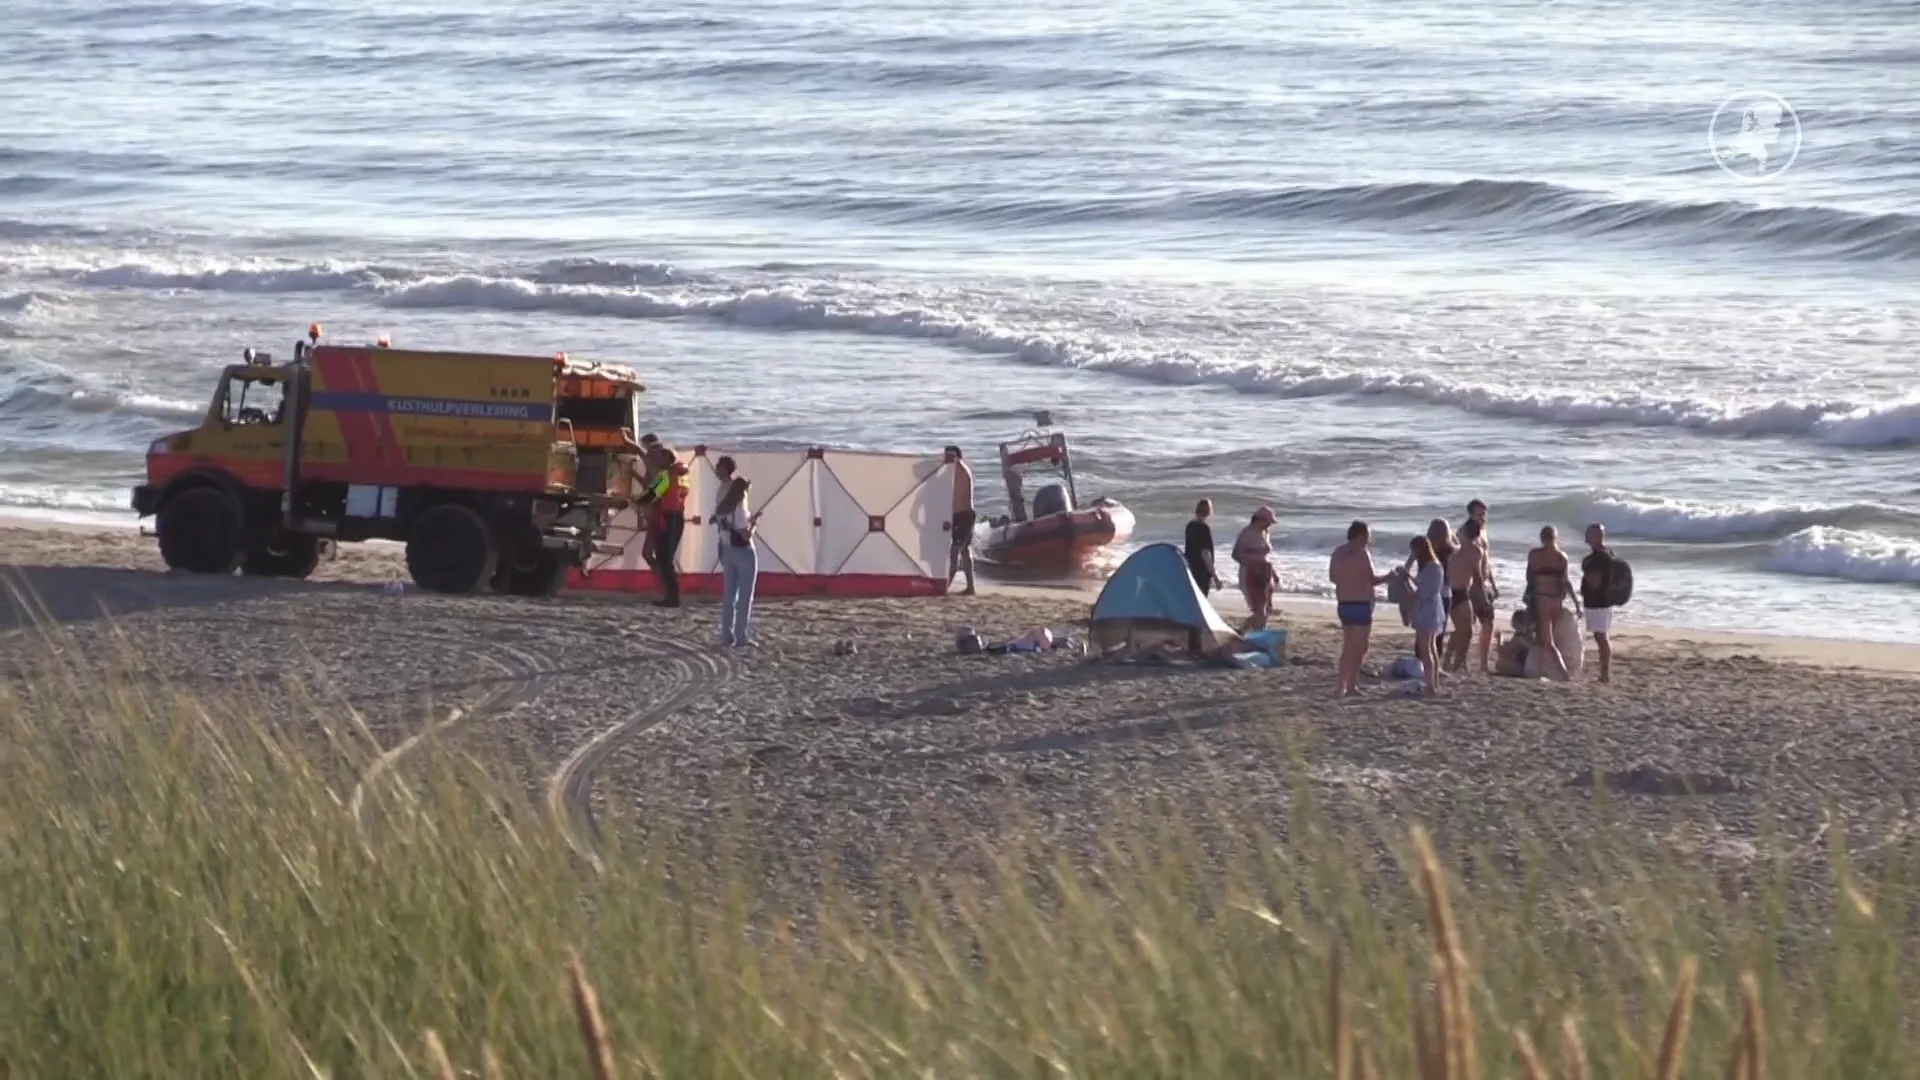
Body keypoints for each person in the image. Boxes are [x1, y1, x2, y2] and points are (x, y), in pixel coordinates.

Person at [1328, 520, 1393, 697]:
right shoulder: (1361, 553)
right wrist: (1390, 576)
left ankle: (1342, 684)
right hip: (1360, 604)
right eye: (1367, 536)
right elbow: (1372, 580)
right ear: (1360, 535)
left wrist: (1349, 579)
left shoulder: (1338, 552)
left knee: (1348, 646)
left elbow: (1333, 577)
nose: (1368, 540)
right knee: (1359, 648)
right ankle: (1349, 685)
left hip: (1344, 603)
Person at [711, 456, 759, 648]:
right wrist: (754, 524)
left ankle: (726, 635)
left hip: (726, 548)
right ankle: (741, 636)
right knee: (745, 596)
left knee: (729, 594)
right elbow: (745, 534)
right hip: (743, 550)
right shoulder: (738, 508)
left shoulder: (720, 496)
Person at [1525, 525, 1579, 680]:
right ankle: (1541, 673)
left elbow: (1529, 578)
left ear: (1542, 538)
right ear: (1556, 538)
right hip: (1555, 601)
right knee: (1544, 640)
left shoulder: (1534, 555)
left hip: (1542, 599)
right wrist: (1576, 602)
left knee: (1547, 642)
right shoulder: (1562, 557)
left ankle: (1564, 675)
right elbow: (1565, 582)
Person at [644, 445, 690, 608]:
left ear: (666, 459)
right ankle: (671, 596)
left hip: (667, 518)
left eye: (659, 458)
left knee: (664, 558)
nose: (656, 461)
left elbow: (651, 495)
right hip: (677, 518)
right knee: (666, 558)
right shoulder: (680, 473)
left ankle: (672, 598)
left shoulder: (665, 475)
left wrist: (636, 501)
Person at [1445, 519, 1494, 672]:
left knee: (1461, 630)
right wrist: (1484, 598)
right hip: (1461, 593)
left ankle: (1450, 661)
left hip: (1448, 591)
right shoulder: (1475, 551)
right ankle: (1457, 664)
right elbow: (1478, 576)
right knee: (1467, 632)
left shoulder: (1454, 549)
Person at [1580, 522, 1620, 683]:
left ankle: (1605, 674)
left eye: (1588, 533)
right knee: (1600, 636)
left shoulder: (1599, 557)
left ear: (1597, 536)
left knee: (1601, 637)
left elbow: (1596, 582)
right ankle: (1604, 673)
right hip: (1600, 601)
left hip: (1599, 602)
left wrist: (1585, 570)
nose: (1585, 536)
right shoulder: (1607, 553)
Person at [1408, 535, 1446, 695]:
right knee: (1431, 647)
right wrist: (1409, 571)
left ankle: (1431, 685)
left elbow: (1422, 592)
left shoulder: (1431, 567)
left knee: (1426, 649)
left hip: (1427, 609)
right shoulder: (1434, 566)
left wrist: (1410, 599)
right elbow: (1420, 583)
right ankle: (1433, 683)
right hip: (1433, 607)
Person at [1233, 506, 1278, 630]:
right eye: (1267, 522)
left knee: (1265, 610)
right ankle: (1257, 635)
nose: (1269, 525)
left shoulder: (1265, 533)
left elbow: (1265, 556)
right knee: (1260, 612)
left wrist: (1274, 574)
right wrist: (1252, 566)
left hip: (1265, 574)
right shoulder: (1246, 533)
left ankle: (1241, 631)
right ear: (1259, 520)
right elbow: (1236, 554)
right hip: (1250, 575)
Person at [946, 445, 976, 596]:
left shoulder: (962, 470)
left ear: (958, 457)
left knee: (954, 551)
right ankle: (971, 587)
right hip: (958, 516)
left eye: (951, 456)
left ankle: (946, 586)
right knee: (964, 551)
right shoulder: (952, 471)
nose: (948, 459)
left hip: (965, 515)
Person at [1184, 499, 1221, 595]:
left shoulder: (1190, 526)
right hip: (1202, 572)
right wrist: (1215, 576)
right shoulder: (1204, 528)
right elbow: (1205, 553)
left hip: (1191, 569)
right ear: (1209, 511)